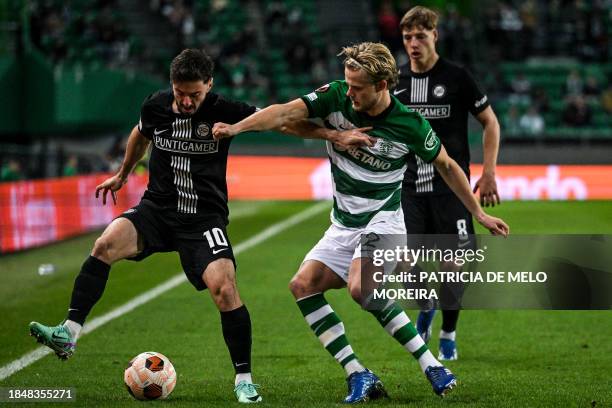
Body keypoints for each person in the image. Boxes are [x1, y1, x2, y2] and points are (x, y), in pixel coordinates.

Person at [213, 42, 509, 403]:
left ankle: (431, 363)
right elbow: (283, 115)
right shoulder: (336, 97)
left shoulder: (409, 123)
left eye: (357, 87)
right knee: (302, 285)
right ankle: (359, 373)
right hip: (343, 225)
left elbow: (446, 165)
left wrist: (477, 212)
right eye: (347, 83)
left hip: (385, 220)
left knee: (360, 287)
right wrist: (236, 130)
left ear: (382, 85)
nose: (349, 92)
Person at [30, 49, 278, 404]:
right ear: (172, 86)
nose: (188, 101)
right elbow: (140, 134)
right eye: (181, 93)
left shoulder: (224, 109)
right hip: (157, 210)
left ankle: (244, 379)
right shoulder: (156, 106)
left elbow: (275, 118)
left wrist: (241, 128)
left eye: (195, 94)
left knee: (224, 289)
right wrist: (122, 174)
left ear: (209, 84)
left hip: (203, 218)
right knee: (104, 245)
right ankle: (68, 333)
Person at [394, 6, 502, 361]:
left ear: (434, 36)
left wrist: (488, 172)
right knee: (403, 259)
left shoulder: (457, 77)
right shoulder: (396, 81)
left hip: (451, 189)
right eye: (408, 37)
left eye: (420, 36)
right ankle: (426, 304)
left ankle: (448, 332)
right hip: (409, 187)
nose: (413, 44)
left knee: (453, 265)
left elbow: (490, 123)